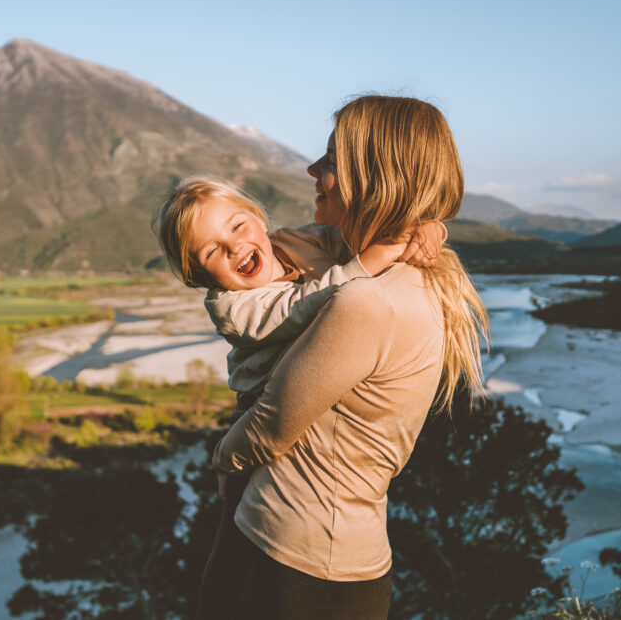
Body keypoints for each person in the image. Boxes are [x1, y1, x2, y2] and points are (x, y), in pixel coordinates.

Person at [210, 95, 489, 619]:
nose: (312, 170)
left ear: (376, 177)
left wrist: (222, 458)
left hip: (293, 551)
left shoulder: (365, 300)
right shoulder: (399, 275)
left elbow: (273, 424)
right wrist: (425, 224)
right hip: (338, 550)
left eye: (332, 159)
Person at [150, 174, 444, 618]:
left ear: (258, 218)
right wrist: (371, 262)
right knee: (227, 561)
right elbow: (304, 305)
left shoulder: (295, 242)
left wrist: (425, 228)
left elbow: (350, 234)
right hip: (257, 417)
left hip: (288, 434)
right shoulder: (233, 308)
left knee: (231, 555)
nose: (234, 247)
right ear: (199, 275)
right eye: (211, 252)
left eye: (238, 226)